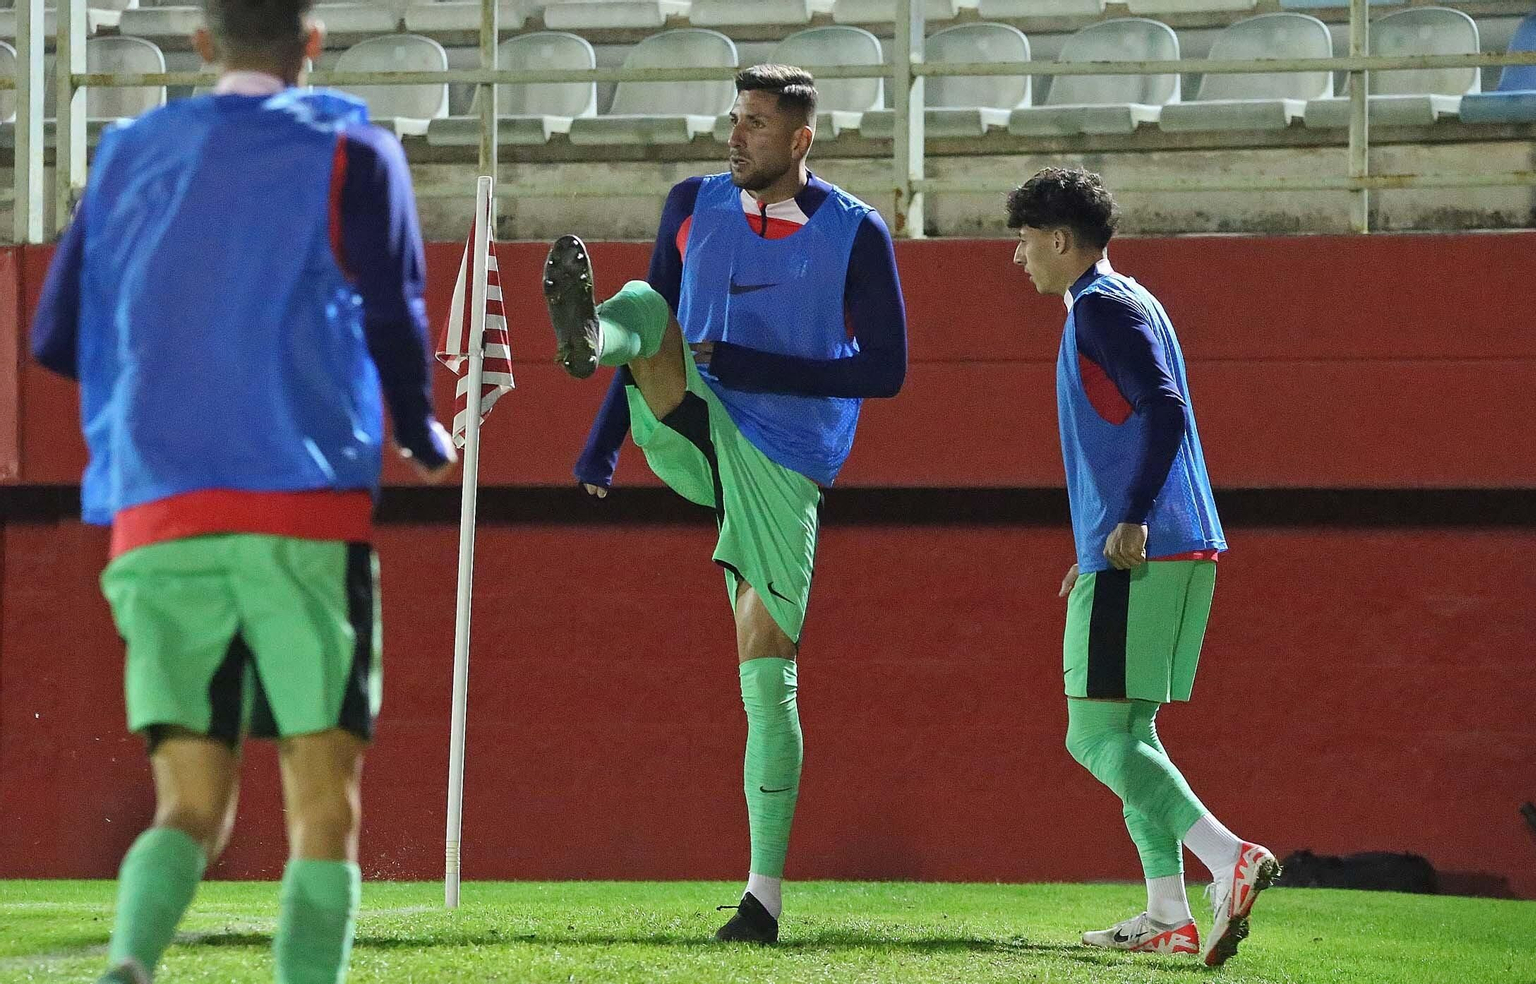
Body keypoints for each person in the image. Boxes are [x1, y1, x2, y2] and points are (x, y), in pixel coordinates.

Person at [29, 0, 456, 979]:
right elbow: (393, 312)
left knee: (190, 801)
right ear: (311, 42)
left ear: (202, 43)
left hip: (156, 518)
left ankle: (133, 959)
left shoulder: (131, 151)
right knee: (322, 803)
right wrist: (420, 429)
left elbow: (56, 335)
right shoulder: (352, 147)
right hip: (300, 513)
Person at [543, 64, 908, 943]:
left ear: (800, 139)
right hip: (694, 420)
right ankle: (587, 335)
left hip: (784, 459)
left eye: (754, 123)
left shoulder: (858, 233)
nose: (736, 135)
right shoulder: (690, 201)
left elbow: (886, 369)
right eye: (733, 118)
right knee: (635, 304)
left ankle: (763, 897)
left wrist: (761, 367)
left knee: (763, 672)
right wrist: (602, 440)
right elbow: (661, 325)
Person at [1006, 166, 1277, 967]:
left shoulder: (1100, 309)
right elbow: (1148, 420)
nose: (1018, 256)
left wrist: (1128, 521)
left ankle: (1230, 858)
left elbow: (1164, 407)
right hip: (1180, 544)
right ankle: (1169, 910)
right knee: (1130, 729)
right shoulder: (1134, 298)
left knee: (1092, 738)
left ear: (1059, 239)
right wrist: (1100, 533)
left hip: (1146, 545)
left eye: (1024, 240)